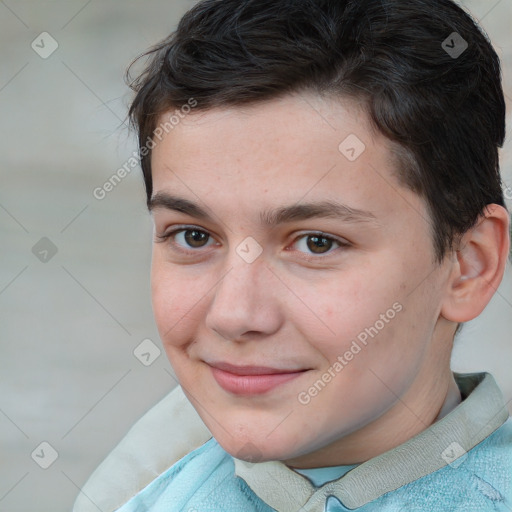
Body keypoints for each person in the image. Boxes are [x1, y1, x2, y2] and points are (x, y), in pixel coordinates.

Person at [76, 0, 512, 510]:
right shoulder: (141, 488)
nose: (235, 315)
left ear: (468, 265)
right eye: (194, 236)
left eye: (316, 243)